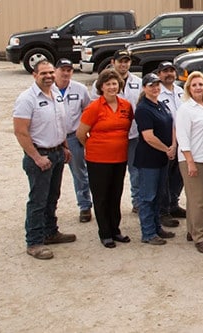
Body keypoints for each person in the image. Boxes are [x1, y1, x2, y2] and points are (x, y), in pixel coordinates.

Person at [13, 60, 77, 259]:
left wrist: (65, 147)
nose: (48, 76)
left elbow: (60, 124)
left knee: (52, 196)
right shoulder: (27, 99)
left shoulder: (56, 94)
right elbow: (20, 132)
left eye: (51, 72)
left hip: (57, 152)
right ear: (34, 75)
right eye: (44, 73)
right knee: (38, 200)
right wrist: (36, 157)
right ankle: (34, 242)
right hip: (40, 155)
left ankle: (50, 232)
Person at [77, 68, 134, 248]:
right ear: (101, 87)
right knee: (101, 196)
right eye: (108, 84)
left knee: (115, 195)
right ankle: (105, 233)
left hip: (119, 158)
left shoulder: (126, 105)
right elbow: (81, 133)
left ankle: (115, 230)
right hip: (98, 159)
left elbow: (127, 127)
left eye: (114, 84)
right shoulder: (94, 107)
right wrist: (93, 147)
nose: (111, 87)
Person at [175, 71, 203, 254]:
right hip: (193, 159)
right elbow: (182, 137)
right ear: (188, 88)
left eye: (201, 84)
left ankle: (192, 230)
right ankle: (199, 237)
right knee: (198, 200)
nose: (198, 88)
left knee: (201, 198)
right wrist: (190, 161)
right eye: (194, 85)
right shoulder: (186, 109)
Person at [133, 74, 178, 246]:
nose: (155, 88)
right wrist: (167, 149)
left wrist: (173, 145)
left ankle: (157, 227)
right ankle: (148, 232)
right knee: (147, 196)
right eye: (151, 85)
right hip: (149, 160)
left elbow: (172, 125)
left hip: (163, 158)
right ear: (144, 88)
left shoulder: (160, 104)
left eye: (157, 85)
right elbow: (148, 137)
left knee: (159, 195)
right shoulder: (143, 109)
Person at [97, 50, 142, 215]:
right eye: (120, 61)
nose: (123, 64)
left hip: (134, 135)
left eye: (127, 61)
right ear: (113, 61)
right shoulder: (103, 83)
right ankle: (107, 204)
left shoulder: (139, 82)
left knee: (136, 171)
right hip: (112, 139)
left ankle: (137, 202)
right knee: (110, 174)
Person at [52, 58, 94, 223]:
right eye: (62, 69)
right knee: (52, 175)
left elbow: (87, 111)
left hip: (72, 137)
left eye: (69, 70)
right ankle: (50, 209)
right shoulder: (49, 89)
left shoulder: (80, 89)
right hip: (53, 139)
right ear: (55, 71)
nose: (66, 73)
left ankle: (85, 206)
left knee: (79, 173)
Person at [156, 61, 186, 225]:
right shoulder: (156, 92)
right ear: (159, 74)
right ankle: (163, 211)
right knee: (165, 177)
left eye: (171, 71)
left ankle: (173, 204)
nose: (169, 74)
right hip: (165, 140)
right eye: (165, 71)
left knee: (178, 176)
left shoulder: (181, 91)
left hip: (182, 140)